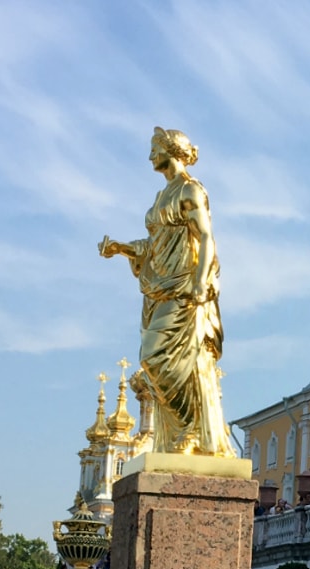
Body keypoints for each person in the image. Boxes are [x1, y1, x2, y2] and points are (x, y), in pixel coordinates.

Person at [96, 127, 232, 457]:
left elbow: (206, 237)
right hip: (161, 288)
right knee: (157, 360)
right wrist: (123, 248)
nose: (149, 155)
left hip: (186, 286)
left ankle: (193, 432)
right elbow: (156, 245)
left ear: (170, 150)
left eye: (154, 148)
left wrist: (201, 281)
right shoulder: (162, 196)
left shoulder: (190, 190)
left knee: (159, 359)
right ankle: (180, 435)